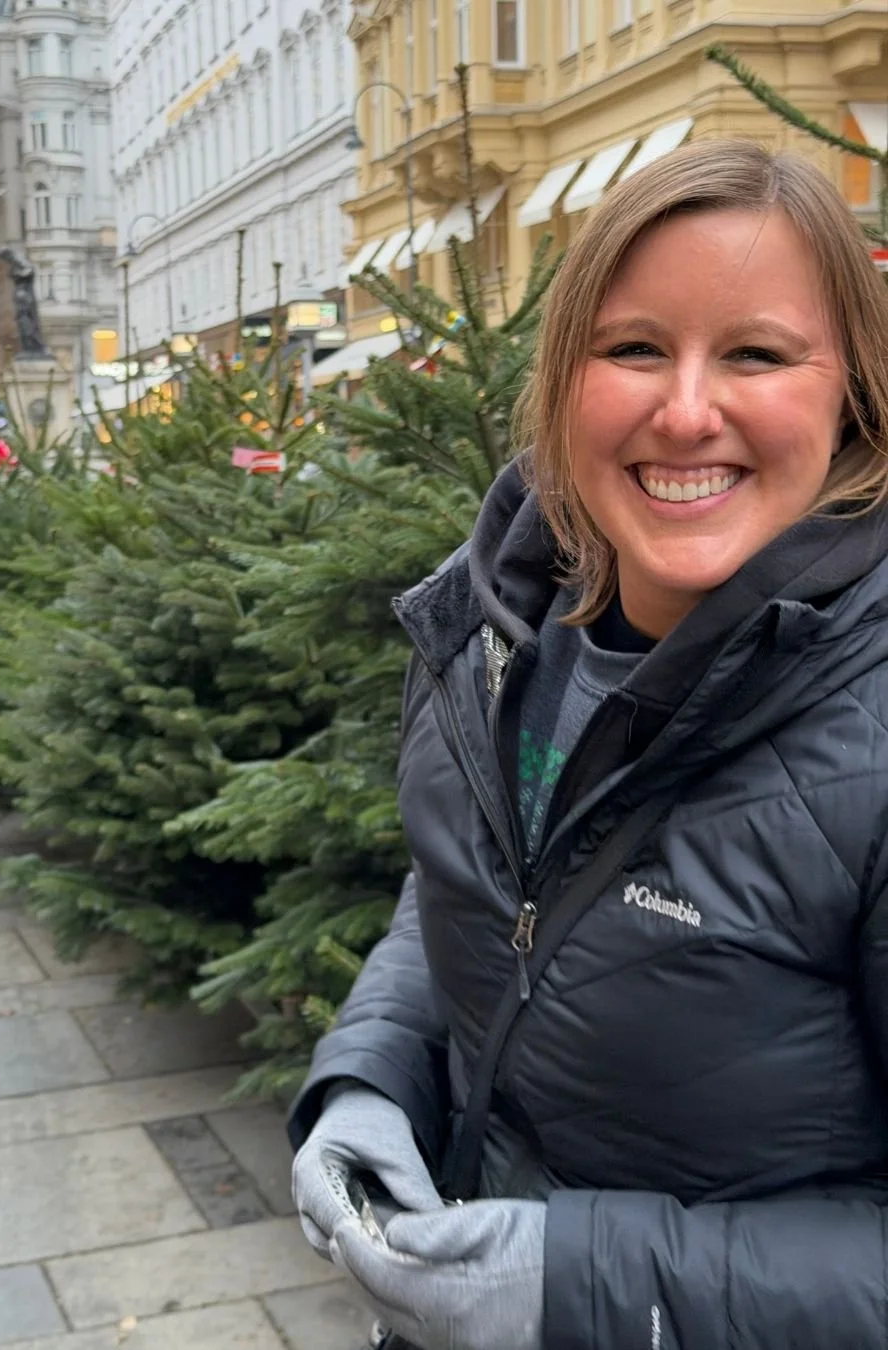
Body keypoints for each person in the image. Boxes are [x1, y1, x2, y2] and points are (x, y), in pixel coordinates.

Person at [288, 138, 888, 1350]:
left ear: (854, 396)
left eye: (757, 354)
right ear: (566, 381)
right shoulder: (495, 621)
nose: (684, 410)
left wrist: (585, 1287)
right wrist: (368, 1077)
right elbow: (495, 884)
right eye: (633, 349)